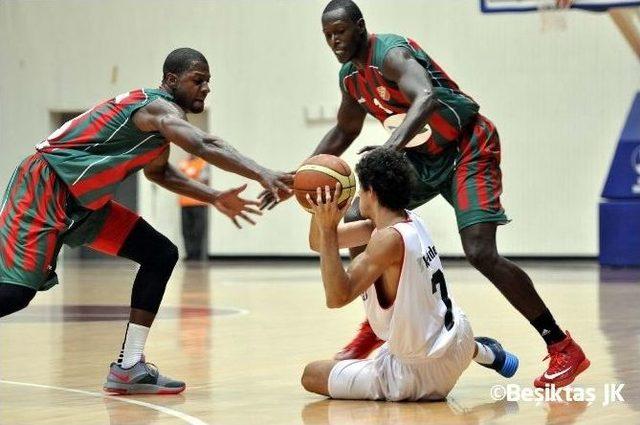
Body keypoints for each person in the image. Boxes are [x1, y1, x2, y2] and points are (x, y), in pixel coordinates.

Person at [263, 0, 589, 388]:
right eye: (327, 36)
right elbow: (344, 131)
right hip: (421, 157)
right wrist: (301, 175)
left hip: (468, 146)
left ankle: (562, 345)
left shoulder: (392, 54)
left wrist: (390, 149)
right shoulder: (350, 77)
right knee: (353, 219)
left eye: (340, 33)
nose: (334, 42)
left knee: (480, 252)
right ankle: (376, 320)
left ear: (360, 26)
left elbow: (426, 96)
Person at [0, 47, 292, 394]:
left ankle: (129, 367)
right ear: (171, 79)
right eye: (198, 80)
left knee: (160, 254)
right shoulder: (156, 108)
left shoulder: (160, 130)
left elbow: (160, 173)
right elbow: (203, 142)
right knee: (16, 292)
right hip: (45, 185)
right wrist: (262, 173)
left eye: (208, 82)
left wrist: (214, 197)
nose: (206, 88)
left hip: (84, 203)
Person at [301, 148, 519, 401]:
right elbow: (319, 242)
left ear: (371, 192)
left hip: (420, 373)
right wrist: (318, 212)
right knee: (419, 331)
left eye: (361, 189)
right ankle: (486, 353)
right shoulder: (408, 221)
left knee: (311, 375)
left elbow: (337, 297)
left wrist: (328, 228)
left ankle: (481, 352)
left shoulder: (387, 240)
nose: (358, 195)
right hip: (458, 335)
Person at [179, 153, 210, 261]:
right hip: (184, 202)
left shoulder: (202, 163)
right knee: (186, 230)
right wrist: (191, 177)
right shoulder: (183, 163)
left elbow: (205, 181)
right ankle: (189, 254)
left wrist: (188, 177)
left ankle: (197, 255)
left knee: (198, 230)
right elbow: (177, 181)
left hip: (199, 203)